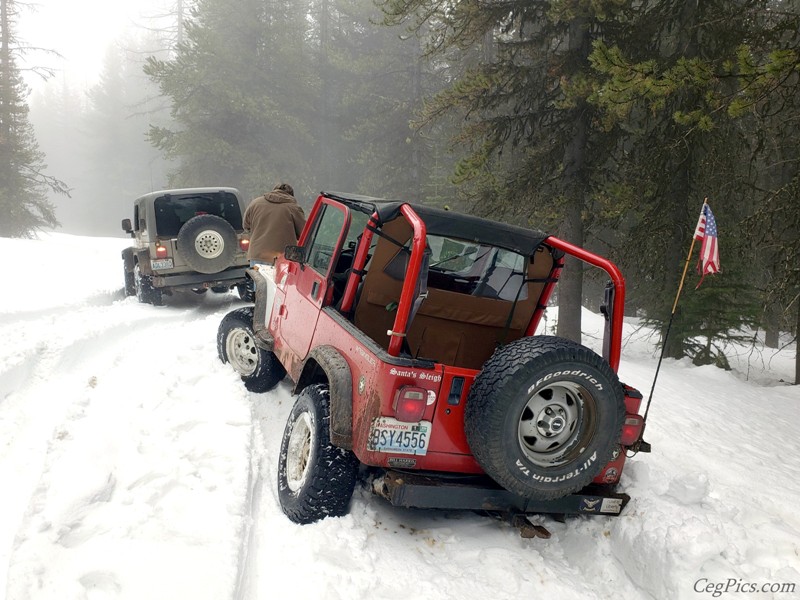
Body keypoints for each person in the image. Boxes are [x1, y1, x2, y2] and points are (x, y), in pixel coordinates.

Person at [243, 183, 306, 266]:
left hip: (257, 255)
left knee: (258, 279)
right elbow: (304, 233)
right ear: (291, 195)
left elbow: (246, 226)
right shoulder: (293, 208)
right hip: (283, 258)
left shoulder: (255, 203)